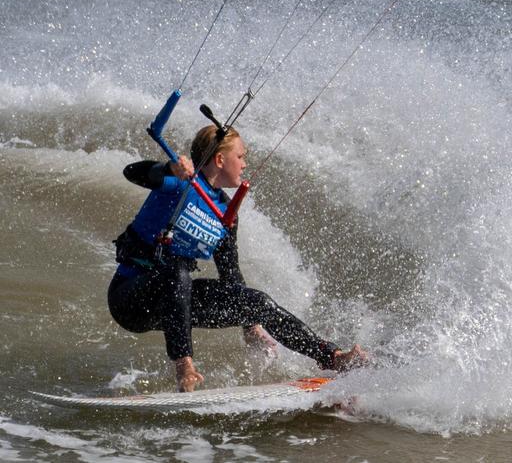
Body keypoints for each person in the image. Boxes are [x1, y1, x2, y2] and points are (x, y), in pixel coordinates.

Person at [107, 124, 367, 392]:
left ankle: (331, 357)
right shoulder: (179, 184)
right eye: (241, 156)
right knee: (177, 271)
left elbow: (230, 274)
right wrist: (168, 169)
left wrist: (250, 325)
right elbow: (132, 172)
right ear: (220, 160)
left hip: (174, 303)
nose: (244, 163)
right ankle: (184, 367)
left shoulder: (224, 214)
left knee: (259, 302)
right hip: (131, 300)